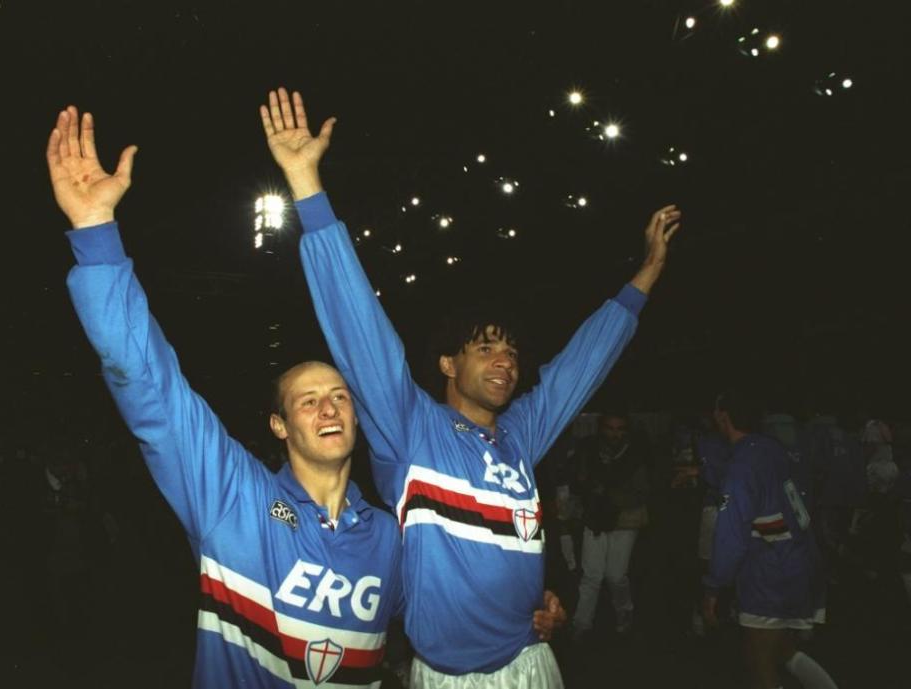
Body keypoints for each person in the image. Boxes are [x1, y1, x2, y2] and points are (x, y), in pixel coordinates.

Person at [260, 87, 680, 687]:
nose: (505, 360)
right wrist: (307, 187)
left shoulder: (519, 437)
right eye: (485, 348)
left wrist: (648, 270)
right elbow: (360, 330)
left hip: (531, 662)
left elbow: (582, 363)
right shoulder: (411, 429)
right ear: (449, 364)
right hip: (451, 677)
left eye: (510, 350)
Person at [46, 105, 403, 688]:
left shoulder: (387, 537)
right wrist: (95, 233)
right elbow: (152, 387)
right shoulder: (233, 499)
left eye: (338, 395)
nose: (329, 407)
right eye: (307, 400)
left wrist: (532, 610)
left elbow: (440, 612)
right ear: (279, 425)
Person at [702, 390, 838, 689]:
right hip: (800, 559)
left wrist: (713, 588)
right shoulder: (768, 447)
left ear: (721, 415)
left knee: (758, 659)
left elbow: (731, 538)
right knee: (783, 650)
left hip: (772, 573)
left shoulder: (742, 466)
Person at [570, 412, 649, 638]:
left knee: (615, 575)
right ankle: (581, 624)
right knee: (591, 575)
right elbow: (578, 481)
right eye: (610, 428)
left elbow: (643, 491)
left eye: (619, 429)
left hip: (625, 520)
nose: (614, 434)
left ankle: (624, 611)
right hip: (594, 519)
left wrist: (611, 496)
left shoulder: (635, 454)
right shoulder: (589, 450)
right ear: (601, 428)